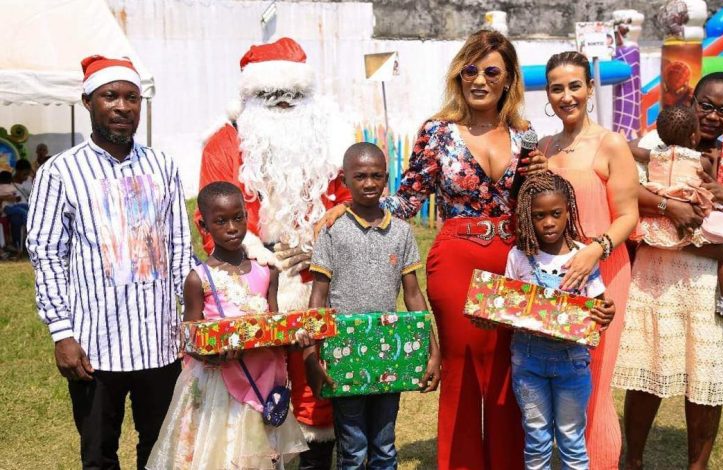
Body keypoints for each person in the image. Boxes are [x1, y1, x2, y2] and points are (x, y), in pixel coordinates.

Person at [316, 30, 548, 469]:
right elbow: (405, 201)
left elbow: (533, 207)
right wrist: (348, 208)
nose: (479, 80)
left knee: (507, 370)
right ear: (459, 75)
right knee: (461, 369)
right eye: (470, 70)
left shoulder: (525, 135)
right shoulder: (438, 132)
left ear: (509, 78)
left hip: (513, 261)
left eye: (491, 71)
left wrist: (541, 174)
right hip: (456, 256)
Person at [26, 55, 192, 469]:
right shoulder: (60, 172)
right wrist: (62, 333)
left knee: (161, 449)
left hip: (160, 341)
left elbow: (179, 248)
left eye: (131, 98)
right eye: (110, 96)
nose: (122, 107)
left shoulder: (162, 166)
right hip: (93, 346)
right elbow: (46, 253)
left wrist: (192, 323)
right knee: (99, 453)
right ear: (88, 102)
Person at [197, 37, 353, 468]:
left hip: (318, 284)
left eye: (294, 96)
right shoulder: (223, 144)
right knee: (253, 394)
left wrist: (320, 254)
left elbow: (349, 207)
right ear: (250, 98)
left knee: (315, 392)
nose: (284, 104)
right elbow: (212, 224)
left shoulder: (334, 142)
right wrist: (262, 258)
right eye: (271, 96)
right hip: (249, 289)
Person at [614, 71, 723, 469]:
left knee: (707, 379)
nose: (712, 116)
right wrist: (673, 206)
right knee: (646, 371)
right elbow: (625, 190)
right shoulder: (658, 140)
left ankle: (697, 465)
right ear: (692, 102)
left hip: (712, 286)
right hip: (657, 277)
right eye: (706, 105)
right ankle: (632, 459)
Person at [147, 182, 308, 469]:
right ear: (204, 225)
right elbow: (189, 338)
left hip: (263, 380)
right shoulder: (199, 279)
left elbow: (274, 324)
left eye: (238, 217)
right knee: (224, 454)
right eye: (220, 221)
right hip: (219, 386)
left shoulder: (267, 271)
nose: (232, 227)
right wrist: (211, 355)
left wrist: (294, 338)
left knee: (261, 455)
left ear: (248, 216)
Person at [303, 143, 441, 469]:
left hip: (390, 354)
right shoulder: (333, 231)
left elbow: (413, 295)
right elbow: (318, 298)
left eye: (376, 176)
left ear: (386, 178)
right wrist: (310, 355)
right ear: (346, 179)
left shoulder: (402, 232)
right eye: (360, 176)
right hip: (343, 353)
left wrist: (433, 350)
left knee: (384, 446)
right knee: (352, 451)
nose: (368, 183)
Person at [538, 51, 639, 470]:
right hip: (553, 279)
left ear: (590, 89)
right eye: (557, 88)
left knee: (593, 385)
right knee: (554, 384)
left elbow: (629, 215)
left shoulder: (611, 143)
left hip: (603, 273)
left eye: (574, 86)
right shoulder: (543, 147)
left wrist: (593, 251)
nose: (567, 96)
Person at [502, 171, 616, 469]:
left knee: (571, 439)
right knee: (537, 440)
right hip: (528, 363)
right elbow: (506, 305)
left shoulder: (582, 256)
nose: (548, 222)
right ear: (528, 217)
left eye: (556, 213)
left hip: (573, 363)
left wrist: (607, 312)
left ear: (569, 211)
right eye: (539, 216)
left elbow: (601, 306)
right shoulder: (519, 256)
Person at [639, 105, 723, 323]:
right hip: (687, 229)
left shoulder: (652, 154)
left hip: (654, 230)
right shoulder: (701, 160)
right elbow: (714, 185)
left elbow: (631, 150)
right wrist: (716, 159)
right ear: (693, 137)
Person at [0, 170, 27, 252]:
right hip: (7, 208)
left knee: (26, 206)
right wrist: (9, 197)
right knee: (22, 211)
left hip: (13, 205)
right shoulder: (1, 187)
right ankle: (28, 224)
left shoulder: (11, 186)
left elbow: (17, 198)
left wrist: (15, 198)